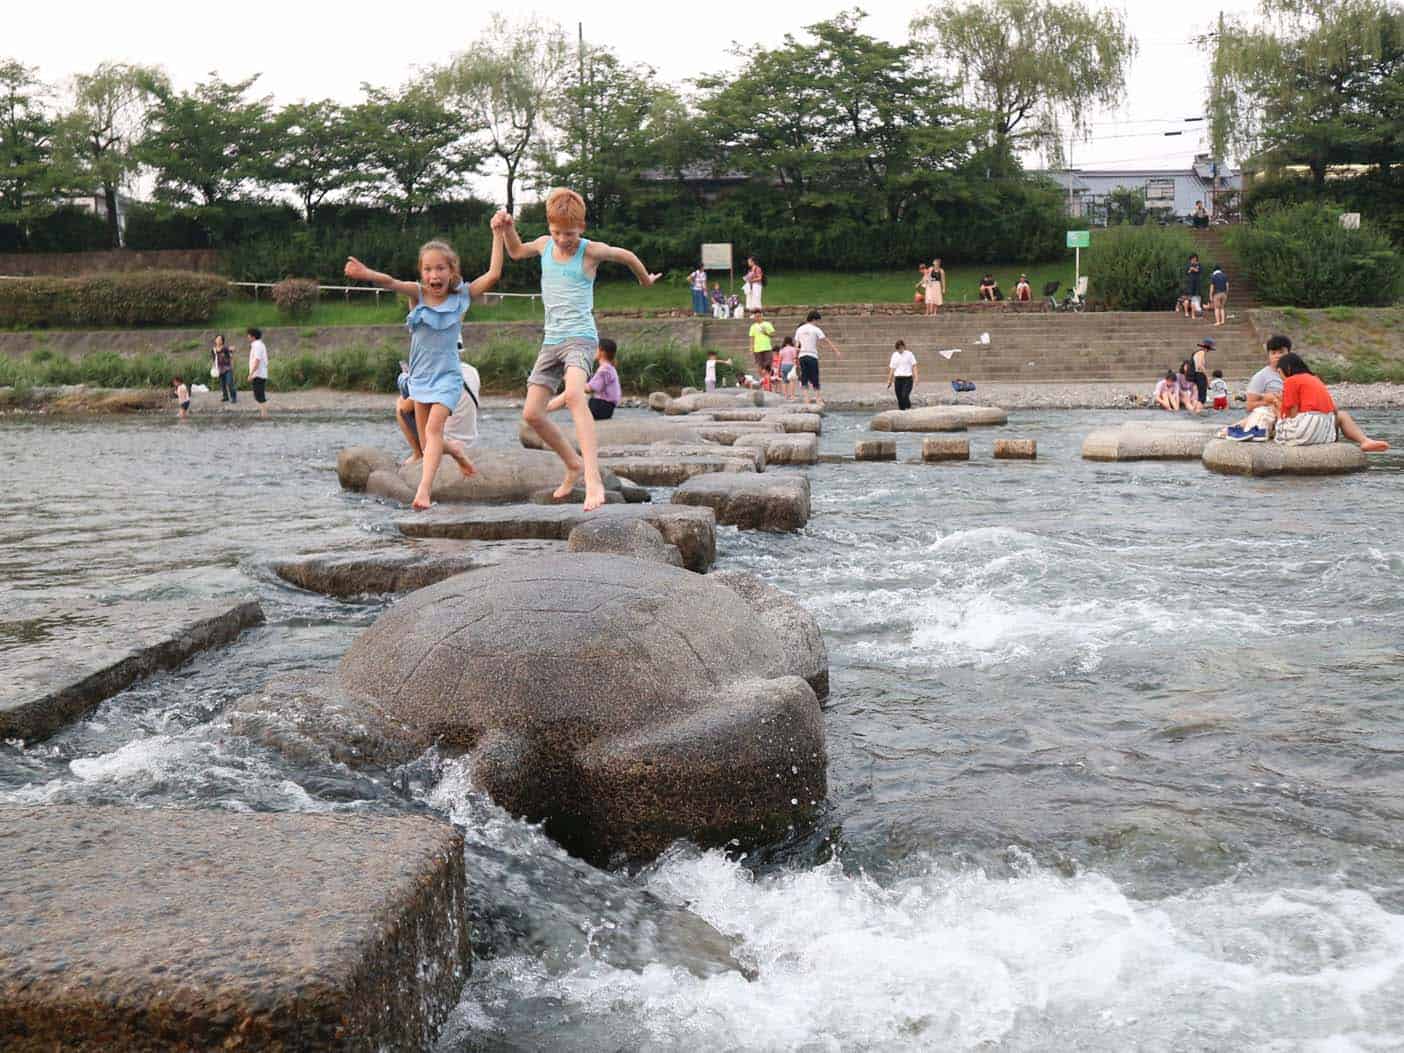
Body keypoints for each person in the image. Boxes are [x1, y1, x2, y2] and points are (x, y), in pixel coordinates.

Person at [500, 188, 660, 512]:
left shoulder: (590, 251)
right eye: (557, 232)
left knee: (574, 396)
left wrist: (645, 281)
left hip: (581, 339)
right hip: (551, 342)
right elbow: (516, 252)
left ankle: (593, 478)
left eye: (570, 234)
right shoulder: (545, 245)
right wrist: (506, 229)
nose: (563, 240)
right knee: (532, 414)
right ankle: (572, 463)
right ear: (549, 226)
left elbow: (627, 255)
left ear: (582, 228)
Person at [345, 222, 504, 509]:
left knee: (432, 431)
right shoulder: (417, 295)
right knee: (428, 438)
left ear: (451, 271)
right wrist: (366, 274)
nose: (434, 274)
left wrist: (497, 234)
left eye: (441, 268)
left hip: (447, 378)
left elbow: (494, 274)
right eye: (428, 269)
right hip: (420, 379)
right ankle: (454, 451)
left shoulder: (461, 297)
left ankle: (423, 491)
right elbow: (390, 282)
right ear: (422, 273)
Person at [1226, 335, 1389, 450]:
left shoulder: (1292, 379)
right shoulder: (1308, 377)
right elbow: (1250, 406)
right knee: (1262, 413)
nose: (1277, 356)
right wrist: (1270, 401)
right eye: (1273, 353)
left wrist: (1279, 403)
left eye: (1281, 352)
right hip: (1299, 418)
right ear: (1268, 355)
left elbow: (1291, 413)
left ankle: (1365, 441)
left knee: (1342, 416)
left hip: (1299, 419)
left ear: (1289, 355)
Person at [794, 309, 843, 408]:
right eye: (817, 320)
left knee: (804, 377)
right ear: (814, 319)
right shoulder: (815, 329)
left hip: (802, 356)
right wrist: (836, 350)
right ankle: (818, 399)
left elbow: (797, 344)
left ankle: (806, 400)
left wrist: (796, 356)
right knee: (815, 377)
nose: (818, 323)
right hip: (812, 355)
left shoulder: (800, 329)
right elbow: (826, 340)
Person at [571, 337, 620, 421]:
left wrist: (575, 382)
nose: (593, 351)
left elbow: (590, 388)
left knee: (577, 395)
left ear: (602, 352)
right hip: (607, 408)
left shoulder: (604, 370)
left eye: (595, 349)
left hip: (602, 407)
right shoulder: (609, 368)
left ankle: (549, 407)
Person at [887, 339, 918, 410]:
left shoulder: (909, 354)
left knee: (905, 395)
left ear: (904, 347)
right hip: (898, 379)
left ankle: (909, 408)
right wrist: (889, 380)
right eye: (898, 349)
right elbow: (892, 368)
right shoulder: (894, 355)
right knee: (899, 398)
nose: (900, 350)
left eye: (901, 348)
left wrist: (916, 378)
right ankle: (902, 411)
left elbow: (914, 366)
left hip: (908, 379)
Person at [246, 327, 269, 419]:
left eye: (248, 335)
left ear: (253, 336)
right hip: (259, 373)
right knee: (258, 395)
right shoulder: (258, 345)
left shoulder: (257, 345)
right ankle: (263, 414)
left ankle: (264, 415)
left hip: (258, 374)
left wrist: (251, 374)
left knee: (259, 395)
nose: (247, 337)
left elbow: (257, 360)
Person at [748, 309, 775, 380]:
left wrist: (766, 332)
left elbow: (773, 334)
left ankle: (768, 378)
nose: (757, 318)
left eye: (759, 316)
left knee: (768, 365)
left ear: (762, 316)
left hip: (767, 347)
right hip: (757, 349)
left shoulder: (767, 324)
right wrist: (751, 348)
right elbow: (752, 338)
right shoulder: (753, 326)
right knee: (759, 365)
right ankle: (762, 379)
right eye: (756, 317)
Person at [211, 335, 236, 403]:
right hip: (219, 369)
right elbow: (214, 359)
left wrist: (232, 350)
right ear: (215, 340)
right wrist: (214, 367)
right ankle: (225, 397)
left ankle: (233, 397)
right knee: (222, 384)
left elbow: (231, 353)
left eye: (220, 339)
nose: (218, 340)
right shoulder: (213, 350)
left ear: (222, 341)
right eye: (217, 339)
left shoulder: (225, 348)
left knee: (229, 383)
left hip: (228, 368)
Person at [1191, 336, 1213, 404]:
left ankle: (1196, 410)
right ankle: (1198, 410)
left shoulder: (1197, 352)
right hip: (1200, 375)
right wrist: (1207, 376)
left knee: (1199, 396)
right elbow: (1200, 365)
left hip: (1196, 375)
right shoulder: (1201, 352)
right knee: (1202, 397)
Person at [777, 336, 798, 400]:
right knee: (792, 380)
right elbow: (794, 358)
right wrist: (796, 366)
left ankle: (785, 396)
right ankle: (792, 395)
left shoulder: (782, 350)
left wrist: (778, 369)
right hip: (791, 365)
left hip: (783, 365)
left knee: (784, 381)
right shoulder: (793, 349)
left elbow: (779, 360)